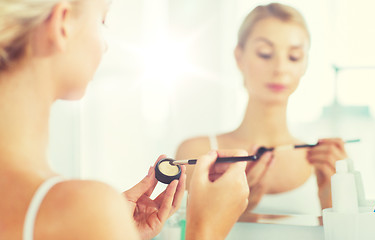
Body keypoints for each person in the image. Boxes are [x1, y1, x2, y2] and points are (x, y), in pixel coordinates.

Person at [0, 0, 250, 239]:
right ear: (62, 24)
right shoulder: (81, 210)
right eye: (102, 21)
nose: (105, 46)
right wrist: (206, 230)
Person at [176, 3, 348, 217]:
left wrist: (332, 203)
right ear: (239, 57)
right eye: (265, 54)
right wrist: (234, 210)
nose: (280, 68)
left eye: (294, 57)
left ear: (304, 65)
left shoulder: (324, 162)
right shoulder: (198, 155)